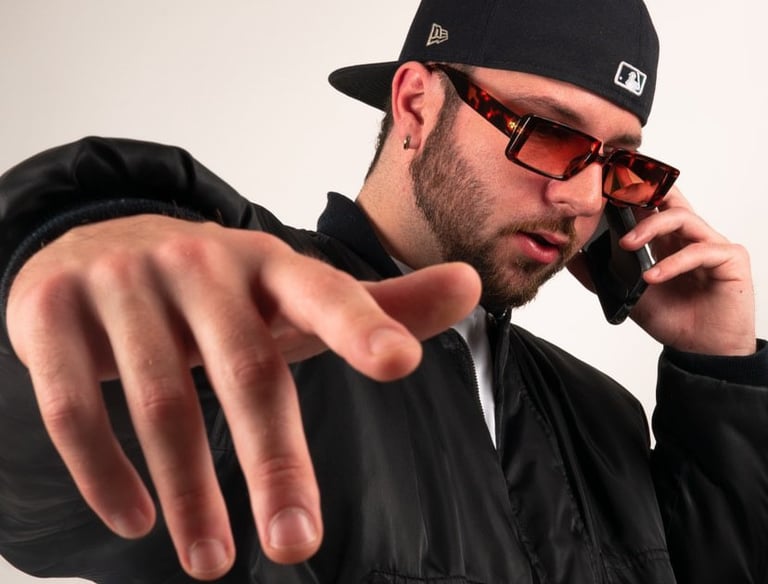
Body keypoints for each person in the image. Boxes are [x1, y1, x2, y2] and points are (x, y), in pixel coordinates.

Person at [0, 0, 766, 583]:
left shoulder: (604, 417)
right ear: (416, 104)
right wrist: (48, 262)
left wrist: (719, 369)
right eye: (548, 133)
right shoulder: (245, 333)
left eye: (617, 163)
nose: (586, 199)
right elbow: (34, 492)